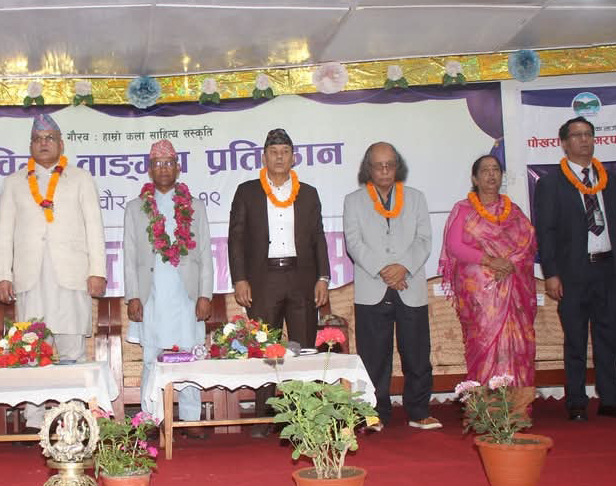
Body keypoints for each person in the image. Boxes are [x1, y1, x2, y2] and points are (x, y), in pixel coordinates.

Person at [0, 113, 107, 430]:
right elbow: (4, 232)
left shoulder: (81, 178)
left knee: (72, 348)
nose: (43, 144)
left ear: (61, 144)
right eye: (37, 139)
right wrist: (2, 274)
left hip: (71, 276)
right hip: (30, 278)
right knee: (31, 349)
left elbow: (94, 228)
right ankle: (34, 421)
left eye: (49, 139)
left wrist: (97, 271)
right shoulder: (14, 182)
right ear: (30, 145)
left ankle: (73, 417)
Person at [228, 128, 330, 437]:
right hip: (263, 280)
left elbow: (318, 237)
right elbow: (236, 239)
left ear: (293, 158)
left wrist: (323, 277)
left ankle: (304, 416)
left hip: (302, 277)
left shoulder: (309, 193)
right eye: (273, 152)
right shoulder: (247, 191)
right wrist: (240, 279)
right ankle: (264, 416)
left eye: (285, 152)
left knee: (303, 347)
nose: (279, 157)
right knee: (264, 349)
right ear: (264, 157)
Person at [342, 142, 440, 431]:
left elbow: (424, 240)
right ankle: (374, 414)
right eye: (378, 166)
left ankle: (419, 411)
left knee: (417, 354)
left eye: (390, 165)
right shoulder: (353, 201)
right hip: (372, 285)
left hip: (410, 285)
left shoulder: (416, 198)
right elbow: (354, 242)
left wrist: (403, 266)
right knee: (373, 356)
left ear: (398, 167)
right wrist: (384, 270)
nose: (385, 171)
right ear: (368, 169)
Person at [124, 140, 213, 440]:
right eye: (157, 164)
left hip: (186, 294)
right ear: (150, 170)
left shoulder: (195, 206)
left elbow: (205, 254)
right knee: (152, 356)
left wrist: (205, 295)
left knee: (189, 353)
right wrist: (132, 296)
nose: (163, 169)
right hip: (151, 294)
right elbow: (129, 255)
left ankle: (190, 418)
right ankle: (149, 418)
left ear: (178, 167)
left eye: (169, 163)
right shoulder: (135, 208)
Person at [439, 155, 537, 419]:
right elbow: (455, 246)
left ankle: (517, 410)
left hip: (513, 289)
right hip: (479, 295)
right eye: (485, 170)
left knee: (516, 347)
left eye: (496, 170)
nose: (491, 175)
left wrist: (509, 264)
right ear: (475, 178)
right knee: (484, 345)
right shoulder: (463, 209)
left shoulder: (514, 211)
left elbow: (528, 242)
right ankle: (486, 412)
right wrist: (490, 261)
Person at [534, 116, 616, 421]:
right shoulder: (551, 183)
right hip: (572, 272)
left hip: (607, 269)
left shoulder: (608, 178)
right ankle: (577, 401)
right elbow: (546, 231)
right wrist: (551, 273)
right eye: (577, 135)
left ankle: (610, 398)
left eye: (588, 135)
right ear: (564, 143)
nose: (584, 140)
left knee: (609, 336)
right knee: (576, 339)